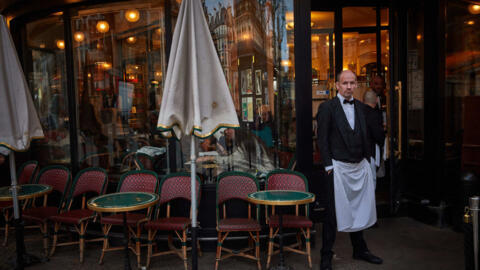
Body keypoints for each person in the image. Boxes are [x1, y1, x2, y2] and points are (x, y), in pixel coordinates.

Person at [316, 70, 383, 270]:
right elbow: (323, 139)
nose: (348, 86)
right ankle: (326, 256)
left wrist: (368, 160)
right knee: (331, 214)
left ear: (356, 85)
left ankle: (360, 249)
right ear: (337, 85)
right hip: (337, 167)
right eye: (344, 83)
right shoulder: (327, 108)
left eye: (352, 83)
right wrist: (328, 166)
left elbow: (368, 135)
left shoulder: (362, 108)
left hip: (359, 166)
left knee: (359, 208)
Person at [363, 90, 385, 186]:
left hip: (358, 152)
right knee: (371, 180)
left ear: (363, 100)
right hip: (371, 151)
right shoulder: (374, 115)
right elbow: (378, 135)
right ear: (376, 101)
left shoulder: (358, 112)